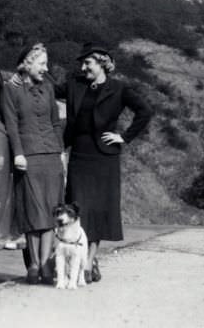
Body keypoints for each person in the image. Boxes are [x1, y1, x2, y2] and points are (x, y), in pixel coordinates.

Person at [54, 43, 152, 283]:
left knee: (96, 212)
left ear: (102, 63)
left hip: (104, 158)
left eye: (87, 63)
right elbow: (50, 89)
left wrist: (125, 136)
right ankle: (81, 260)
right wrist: (20, 79)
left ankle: (87, 264)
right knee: (79, 208)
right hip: (79, 154)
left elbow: (145, 110)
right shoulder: (75, 85)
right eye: (82, 63)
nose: (83, 67)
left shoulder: (119, 89)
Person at [2, 43, 65, 284]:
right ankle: (34, 266)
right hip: (28, 156)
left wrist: (60, 151)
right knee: (33, 212)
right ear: (28, 63)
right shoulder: (11, 89)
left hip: (51, 155)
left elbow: (55, 123)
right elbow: (11, 125)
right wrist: (18, 153)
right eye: (42, 64)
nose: (46, 68)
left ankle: (47, 265)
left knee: (50, 212)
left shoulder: (48, 87)